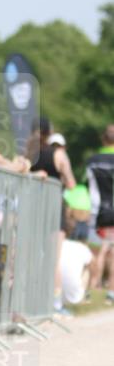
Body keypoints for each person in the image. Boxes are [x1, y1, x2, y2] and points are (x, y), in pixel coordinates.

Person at [28, 118, 76, 313]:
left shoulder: (29, 153)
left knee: (32, 256)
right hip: (54, 209)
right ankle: (55, 304)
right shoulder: (59, 154)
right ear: (50, 132)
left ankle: (33, 300)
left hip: (33, 208)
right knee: (53, 258)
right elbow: (71, 183)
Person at [85, 125, 114, 302]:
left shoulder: (92, 160)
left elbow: (86, 184)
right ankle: (111, 293)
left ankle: (91, 289)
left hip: (97, 210)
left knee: (96, 252)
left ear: (103, 139)